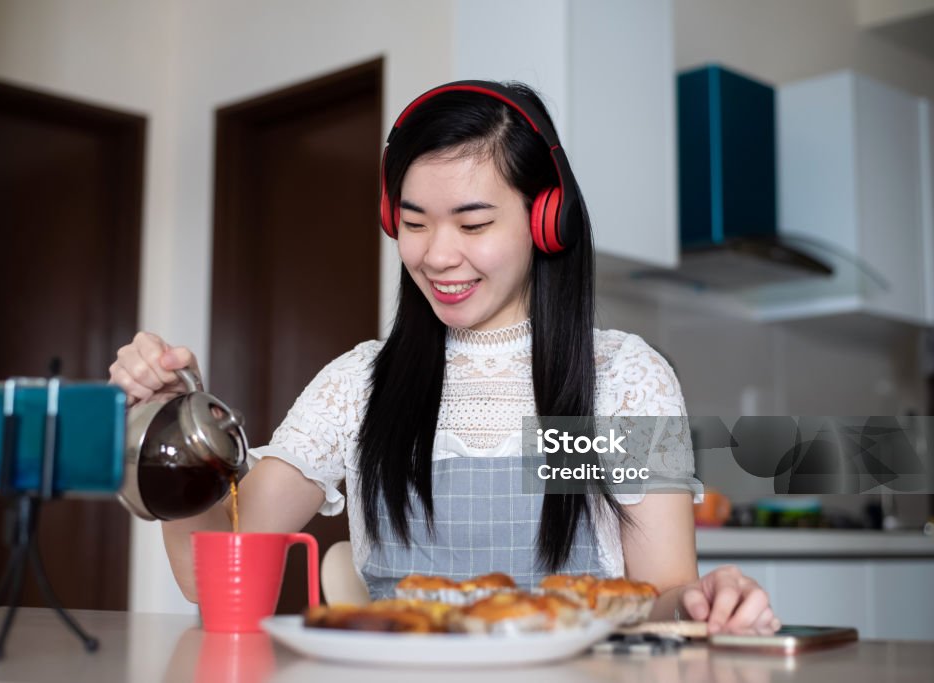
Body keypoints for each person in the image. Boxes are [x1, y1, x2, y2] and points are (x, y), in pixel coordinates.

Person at [110, 81, 780, 635]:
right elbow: (209, 572)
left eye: (473, 222)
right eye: (414, 221)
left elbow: (662, 596)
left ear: (546, 220)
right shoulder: (361, 385)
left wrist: (702, 599)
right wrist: (165, 424)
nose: (435, 254)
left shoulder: (618, 381)